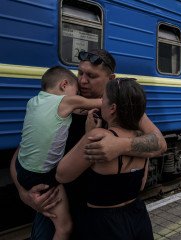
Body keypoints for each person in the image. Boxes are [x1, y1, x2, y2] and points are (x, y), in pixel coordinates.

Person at [10, 49, 167, 239]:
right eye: (80, 73)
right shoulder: (57, 105)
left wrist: (119, 145)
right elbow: (22, 152)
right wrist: (23, 193)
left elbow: (159, 143)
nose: (82, 81)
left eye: (91, 76)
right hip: (56, 206)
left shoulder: (123, 108)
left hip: (98, 218)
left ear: (110, 78)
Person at [56, 78, 153, 239]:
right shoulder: (143, 139)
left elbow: (62, 175)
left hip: (104, 224)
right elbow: (142, 183)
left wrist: (88, 133)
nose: (101, 103)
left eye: (104, 100)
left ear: (113, 108)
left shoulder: (97, 137)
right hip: (137, 217)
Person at [15, 66, 102, 240]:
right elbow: (100, 103)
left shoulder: (33, 102)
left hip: (22, 167)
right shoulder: (66, 102)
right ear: (64, 85)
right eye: (75, 91)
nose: (78, 93)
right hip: (43, 175)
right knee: (64, 227)